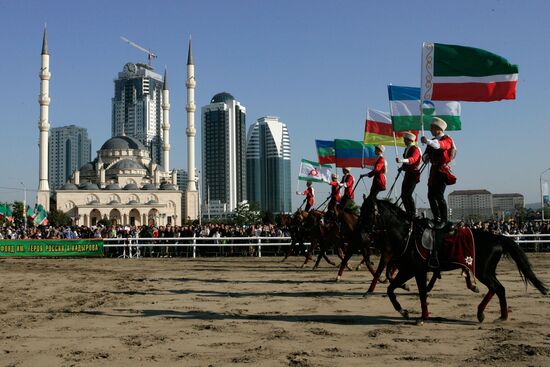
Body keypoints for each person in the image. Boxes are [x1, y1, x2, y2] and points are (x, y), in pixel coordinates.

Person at [421, 117, 457, 268]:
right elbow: (425, 157)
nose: (430, 130)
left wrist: (428, 142)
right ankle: (436, 217)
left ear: (438, 128)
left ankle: (443, 218)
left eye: (432, 127)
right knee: (430, 195)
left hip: (442, 170)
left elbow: (439, 146)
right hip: (434, 171)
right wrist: (426, 156)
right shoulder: (431, 141)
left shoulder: (447, 139)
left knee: (439, 195)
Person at [396, 131, 422, 218]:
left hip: (413, 174)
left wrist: (401, 160)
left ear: (409, 140)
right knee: (403, 195)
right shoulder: (406, 149)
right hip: (408, 174)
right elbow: (406, 163)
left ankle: (413, 213)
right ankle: (408, 212)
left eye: (405, 139)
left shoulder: (415, 149)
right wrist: (402, 167)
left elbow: (413, 159)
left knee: (408, 194)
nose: (403, 141)